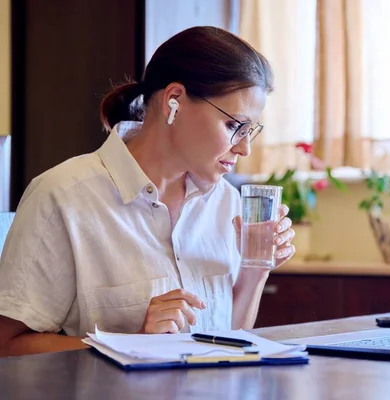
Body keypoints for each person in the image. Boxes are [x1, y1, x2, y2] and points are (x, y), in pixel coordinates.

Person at [0, 26, 296, 357]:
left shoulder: (225, 201)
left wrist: (256, 268)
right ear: (174, 101)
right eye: (233, 126)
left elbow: (230, 339)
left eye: (250, 131)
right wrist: (133, 345)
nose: (244, 149)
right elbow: (7, 345)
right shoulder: (62, 197)